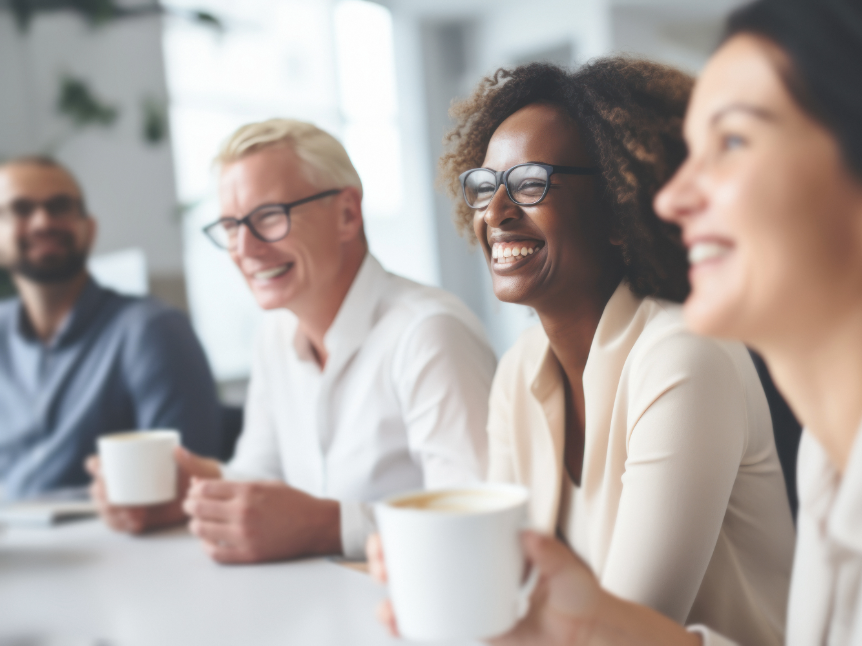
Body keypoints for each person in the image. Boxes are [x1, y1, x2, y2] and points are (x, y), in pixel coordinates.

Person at [375, 0, 862, 644]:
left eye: (735, 141)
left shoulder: (686, 355)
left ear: (616, 210)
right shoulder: (834, 463)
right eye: (485, 184)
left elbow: (633, 617)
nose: (674, 196)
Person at [90, 119, 496, 563]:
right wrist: (190, 490)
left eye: (268, 216)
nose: (245, 247)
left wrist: (328, 526)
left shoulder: (429, 333)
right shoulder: (276, 337)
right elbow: (259, 476)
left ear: (347, 214)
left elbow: (477, 516)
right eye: (230, 226)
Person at [0, 156, 220, 501]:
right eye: (21, 209)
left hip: (122, 543)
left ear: (90, 228)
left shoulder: (152, 330)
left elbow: (187, 483)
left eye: (60, 206)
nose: (43, 221)